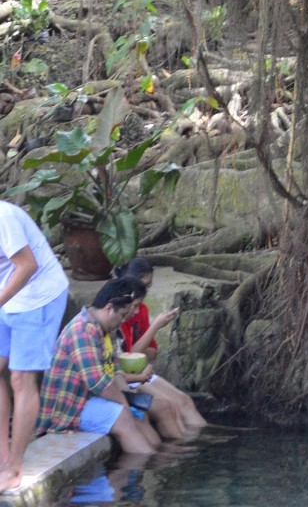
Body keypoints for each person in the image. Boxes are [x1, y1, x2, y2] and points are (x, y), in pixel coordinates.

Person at [36, 282, 158, 463]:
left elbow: (115, 370)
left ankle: (155, 461)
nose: (124, 320)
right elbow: (97, 382)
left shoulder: (100, 328)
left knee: (139, 412)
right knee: (122, 416)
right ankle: (146, 466)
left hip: (86, 399)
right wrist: (125, 404)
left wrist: (129, 398)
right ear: (109, 308)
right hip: (68, 409)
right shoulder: (83, 330)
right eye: (123, 315)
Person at [0, 197, 69, 493]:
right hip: (7, 296)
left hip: (38, 295)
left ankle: (14, 466)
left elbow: (28, 265)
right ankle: (2, 453)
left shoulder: (3, 216)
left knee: (21, 378)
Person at [109, 259, 204, 441]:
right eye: (143, 286)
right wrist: (156, 327)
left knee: (185, 401)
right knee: (170, 406)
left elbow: (151, 353)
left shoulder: (140, 310)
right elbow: (126, 360)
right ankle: (186, 447)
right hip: (128, 377)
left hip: (139, 372)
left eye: (148, 286)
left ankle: (198, 444)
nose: (145, 292)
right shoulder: (119, 313)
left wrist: (138, 353)